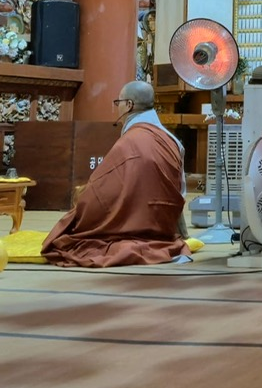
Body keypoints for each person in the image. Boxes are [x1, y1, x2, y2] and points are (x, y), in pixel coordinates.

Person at [42, 81, 191, 268]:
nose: (117, 107)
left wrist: (83, 200)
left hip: (134, 223)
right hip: (164, 227)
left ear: (128, 105)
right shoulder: (173, 141)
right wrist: (179, 232)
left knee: (82, 206)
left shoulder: (129, 142)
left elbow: (103, 188)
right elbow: (180, 191)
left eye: (118, 102)